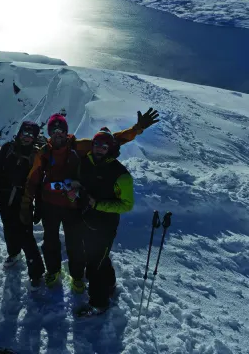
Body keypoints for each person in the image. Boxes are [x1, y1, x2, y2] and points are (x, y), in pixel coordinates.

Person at [20, 108, 159, 293]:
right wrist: (26, 203)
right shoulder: (45, 152)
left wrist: (136, 129)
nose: (57, 135)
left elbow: (111, 141)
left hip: (73, 205)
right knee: (50, 240)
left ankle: (77, 276)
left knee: (75, 243)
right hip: (50, 205)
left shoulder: (78, 146)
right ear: (49, 133)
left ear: (66, 131)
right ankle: (53, 271)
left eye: (60, 131)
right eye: (53, 131)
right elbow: (33, 178)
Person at [77, 127, 135, 316]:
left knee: (94, 265)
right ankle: (109, 283)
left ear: (110, 148)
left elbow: (126, 205)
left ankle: (98, 303)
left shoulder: (120, 174)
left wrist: (98, 204)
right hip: (86, 220)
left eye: (104, 146)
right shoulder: (86, 162)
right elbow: (82, 185)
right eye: (96, 144)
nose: (99, 148)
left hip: (106, 225)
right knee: (97, 258)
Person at [0, 121, 46, 289]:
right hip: (5, 195)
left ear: (34, 138)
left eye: (31, 135)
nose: (27, 137)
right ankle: (13, 253)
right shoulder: (7, 149)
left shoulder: (37, 156)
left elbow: (40, 182)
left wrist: (39, 206)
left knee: (25, 233)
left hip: (24, 198)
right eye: (24, 133)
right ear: (19, 133)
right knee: (8, 226)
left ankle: (36, 272)